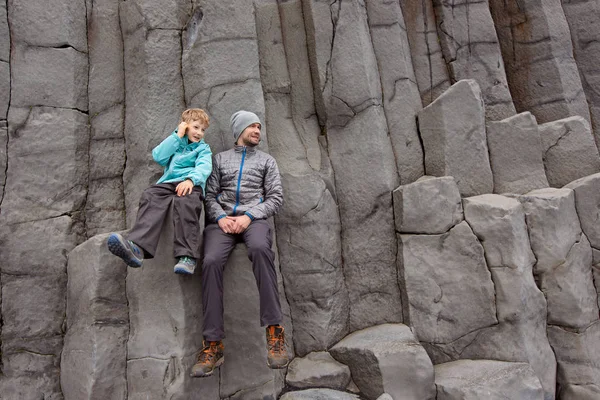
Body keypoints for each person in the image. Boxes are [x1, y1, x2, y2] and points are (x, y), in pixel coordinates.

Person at [191, 110, 287, 378]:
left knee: (259, 249)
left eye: (259, 127)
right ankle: (213, 344)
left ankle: (274, 332)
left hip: (253, 221)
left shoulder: (267, 161)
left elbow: (276, 198)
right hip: (221, 223)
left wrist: (248, 216)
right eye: (252, 126)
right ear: (240, 130)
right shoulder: (219, 160)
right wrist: (221, 217)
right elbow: (208, 195)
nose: (257, 130)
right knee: (209, 262)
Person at [106, 108, 212, 275]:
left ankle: (187, 257)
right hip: (168, 183)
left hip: (191, 184)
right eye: (196, 127)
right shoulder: (176, 143)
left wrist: (191, 180)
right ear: (184, 126)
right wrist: (177, 135)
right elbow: (159, 156)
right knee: (151, 195)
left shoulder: (203, 149)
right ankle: (138, 249)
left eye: (203, 130)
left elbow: (204, 166)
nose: (199, 132)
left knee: (186, 203)